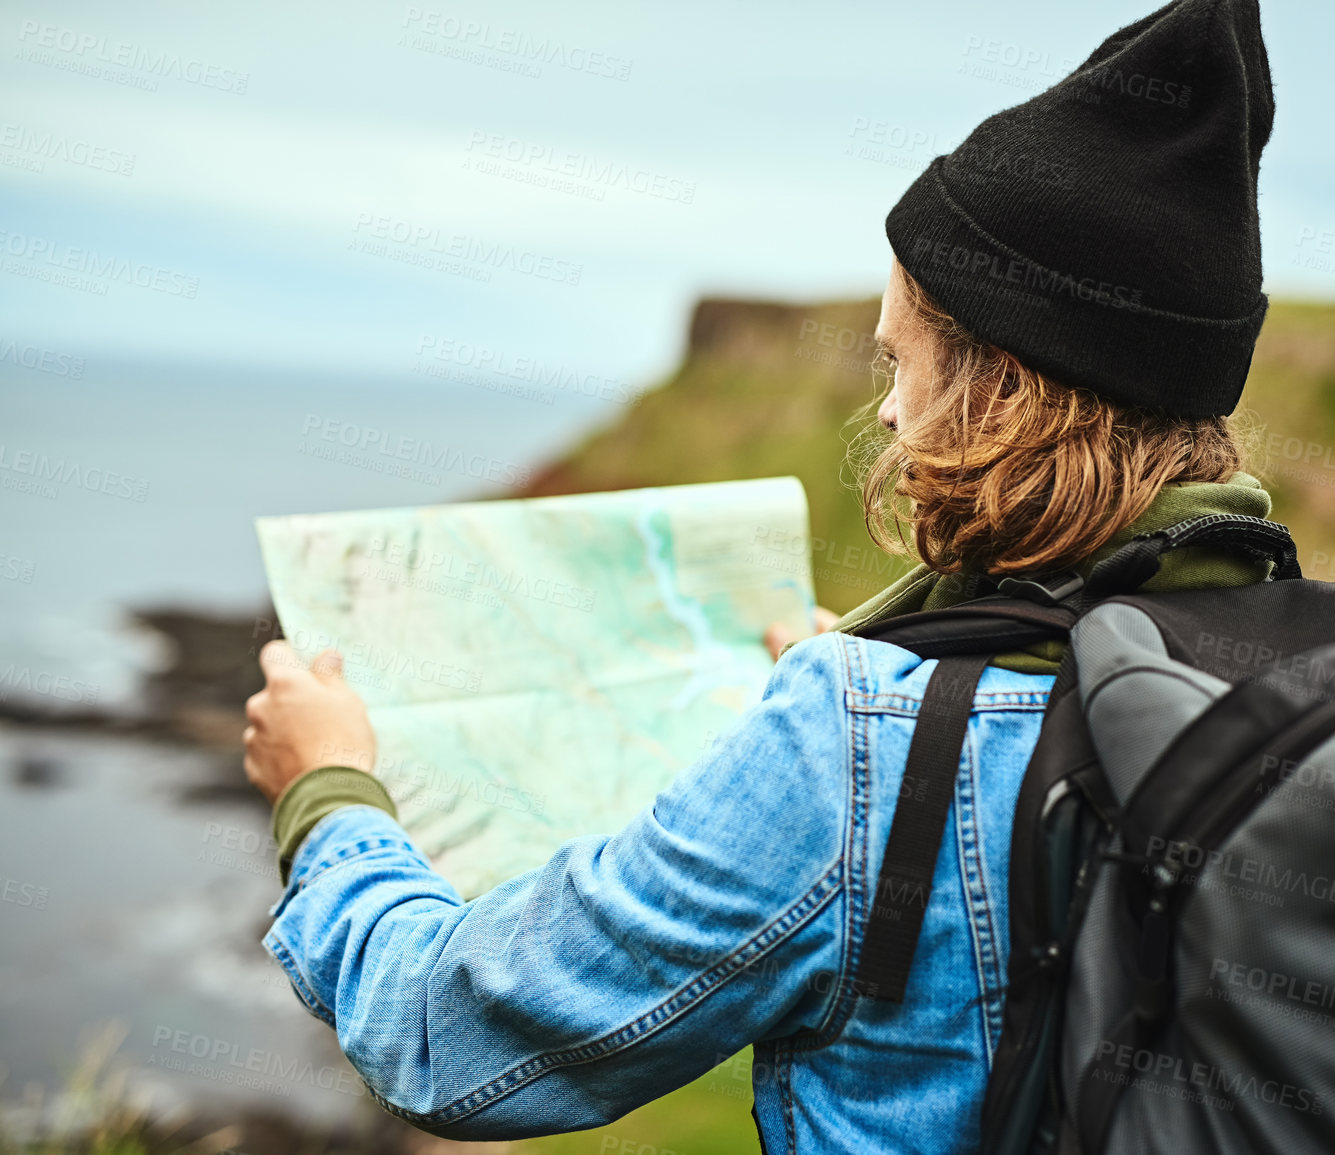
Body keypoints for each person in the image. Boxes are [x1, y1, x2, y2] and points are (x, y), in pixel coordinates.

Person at [243, 1, 1278, 1149]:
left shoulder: (857, 746)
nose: (887, 408)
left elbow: (444, 1032)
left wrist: (326, 787)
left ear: (992, 382)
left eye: (903, 360)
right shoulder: (1300, 670)